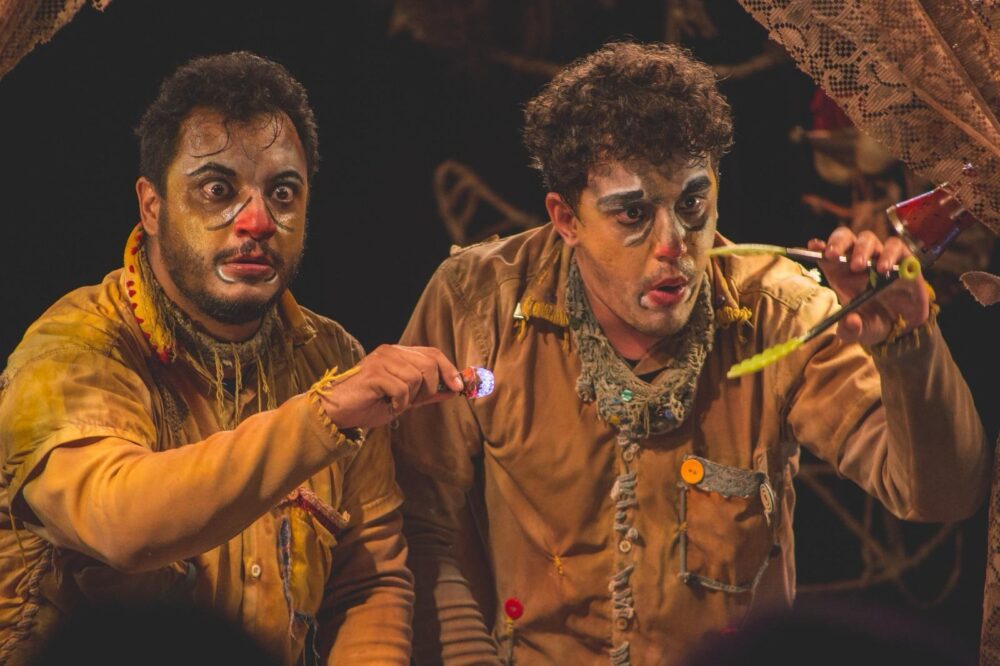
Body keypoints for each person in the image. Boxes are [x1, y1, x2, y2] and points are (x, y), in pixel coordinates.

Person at [392, 41, 991, 665]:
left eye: (692, 204)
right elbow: (418, 519)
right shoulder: (481, 301)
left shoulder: (779, 314)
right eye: (632, 214)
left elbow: (942, 495)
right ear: (566, 219)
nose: (673, 244)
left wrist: (906, 343)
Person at [0, 51, 465, 665]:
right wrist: (323, 416)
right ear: (152, 206)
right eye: (217, 190)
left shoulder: (330, 356)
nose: (257, 221)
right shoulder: (77, 345)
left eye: (283, 193)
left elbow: (368, 583)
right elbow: (120, 522)